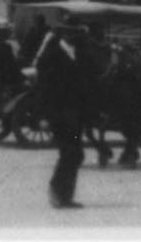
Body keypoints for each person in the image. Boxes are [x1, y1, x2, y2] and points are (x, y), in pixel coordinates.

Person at [34, 23, 96, 210]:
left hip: (73, 115)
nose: (79, 38)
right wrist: (43, 116)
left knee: (75, 154)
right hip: (59, 115)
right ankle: (57, 191)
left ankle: (64, 195)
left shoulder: (75, 54)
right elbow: (43, 89)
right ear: (66, 35)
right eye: (75, 34)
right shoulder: (51, 56)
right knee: (71, 153)